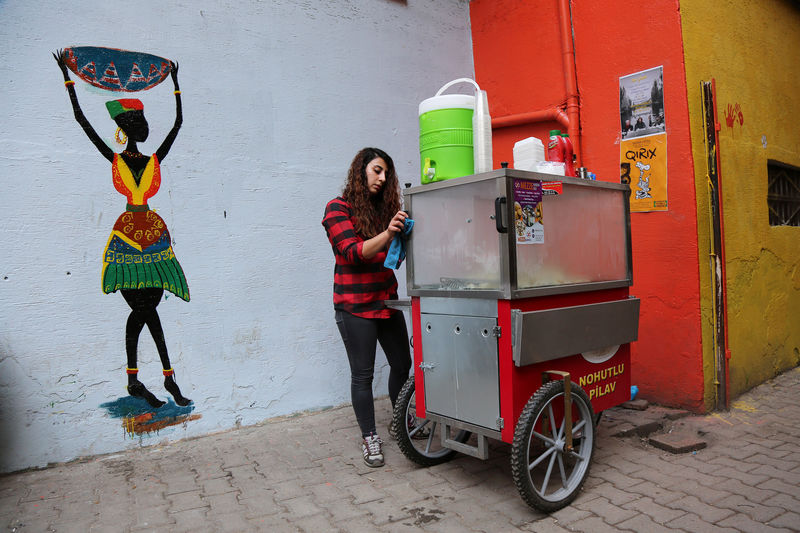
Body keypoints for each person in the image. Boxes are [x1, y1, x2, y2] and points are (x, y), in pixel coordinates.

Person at [54, 50, 191, 409]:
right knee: (144, 310)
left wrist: (176, 85)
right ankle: (161, 379)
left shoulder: (152, 160)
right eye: (136, 120)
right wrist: (69, 81)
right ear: (126, 126)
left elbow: (177, 126)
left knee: (148, 309)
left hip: (151, 234)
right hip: (129, 236)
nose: (142, 127)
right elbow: (83, 122)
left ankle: (149, 380)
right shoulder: (117, 159)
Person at [322, 147, 412, 467]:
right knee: (363, 375)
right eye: (377, 170)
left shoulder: (383, 210)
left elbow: (392, 256)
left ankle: (399, 420)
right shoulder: (337, 208)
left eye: (386, 173)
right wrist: (388, 233)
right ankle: (370, 437)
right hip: (354, 306)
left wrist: (402, 237)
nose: (382, 178)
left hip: (385, 299)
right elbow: (351, 252)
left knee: (403, 365)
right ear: (361, 170)